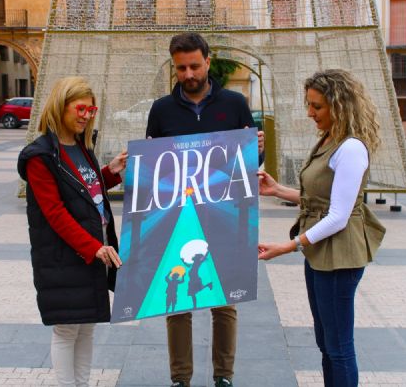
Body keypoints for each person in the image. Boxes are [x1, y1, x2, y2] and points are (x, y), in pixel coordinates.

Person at [145, 32, 265, 387]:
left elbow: (251, 165)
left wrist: (257, 149)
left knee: (226, 302)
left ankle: (223, 376)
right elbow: (154, 167)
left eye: (195, 65)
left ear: (208, 62)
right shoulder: (161, 110)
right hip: (176, 216)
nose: (188, 74)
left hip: (223, 215)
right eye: (181, 68)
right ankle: (180, 378)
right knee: (176, 302)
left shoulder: (235, 103)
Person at [257, 69, 385, 387]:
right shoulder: (330, 139)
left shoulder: (351, 148)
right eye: (308, 104)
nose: (310, 113)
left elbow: (339, 215)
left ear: (339, 106)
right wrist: (278, 190)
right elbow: (320, 197)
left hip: (340, 255)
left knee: (339, 348)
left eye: (317, 107)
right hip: (321, 254)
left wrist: (288, 245)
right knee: (326, 343)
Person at [17, 76, 128, 387]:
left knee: (87, 327)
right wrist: (92, 247)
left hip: (91, 252)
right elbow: (54, 212)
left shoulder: (81, 147)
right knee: (66, 330)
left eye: (90, 110)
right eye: (80, 108)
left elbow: (84, 192)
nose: (86, 115)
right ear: (60, 106)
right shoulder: (40, 156)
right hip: (65, 256)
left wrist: (111, 171)